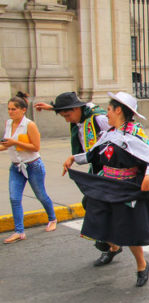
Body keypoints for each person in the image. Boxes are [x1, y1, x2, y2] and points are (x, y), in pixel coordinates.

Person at [62, 92, 149, 287]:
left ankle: (142, 265)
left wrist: (148, 176)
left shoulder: (135, 133)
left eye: (109, 110)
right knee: (99, 218)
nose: (107, 114)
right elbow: (93, 153)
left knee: (128, 228)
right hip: (107, 185)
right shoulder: (109, 133)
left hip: (126, 188)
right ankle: (112, 247)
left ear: (118, 110)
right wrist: (74, 159)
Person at [34, 92, 115, 264]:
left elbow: (119, 132)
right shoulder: (79, 119)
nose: (66, 120)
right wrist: (52, 108)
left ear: (77, 108)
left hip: (110, 168)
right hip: (96, 166)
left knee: (92, 203)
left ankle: (109, 241)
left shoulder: (98, 119)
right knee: (94, 204)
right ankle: (111, 243)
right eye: (63, 116)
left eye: (68, 115)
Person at [1, 92, 57, 243]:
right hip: (16, 167)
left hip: (33, 166)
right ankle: (19, 231)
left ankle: (52, 218)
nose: (11, 112)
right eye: (9, 109)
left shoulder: (29, 125)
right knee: (14, 198)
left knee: (41, 195)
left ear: (23, 110)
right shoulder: (8, 124)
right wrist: (8, 144)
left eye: (14, 109)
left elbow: (35, 146)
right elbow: (6, 144)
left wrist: (15, 143)